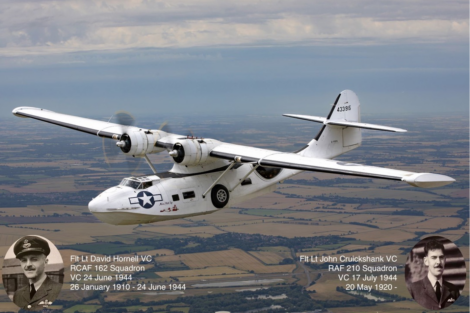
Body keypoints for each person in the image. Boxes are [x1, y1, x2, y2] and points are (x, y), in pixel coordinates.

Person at [12, 236, 62, 311]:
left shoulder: (58, 290)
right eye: (24, 260)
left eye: (34, 259)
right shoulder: (18, 294)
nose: (28, 264)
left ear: (45, 262)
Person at [409, 239, 460, 310]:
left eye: (441, 257)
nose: (438, 262)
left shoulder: (454, 290)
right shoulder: (413, 289)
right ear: (426, 261)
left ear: (445, 260)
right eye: (434, 258)